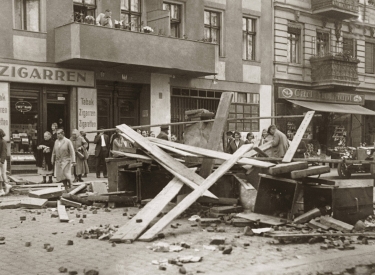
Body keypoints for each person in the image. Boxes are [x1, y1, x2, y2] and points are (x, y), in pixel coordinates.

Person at [0, 129, 10, 196]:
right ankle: (6, 186)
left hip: (1, 160)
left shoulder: (3, 142)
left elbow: (4, 152)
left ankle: (2, 190)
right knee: (2, 174)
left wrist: (1, 161)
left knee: (1, 174)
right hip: (2, 160)